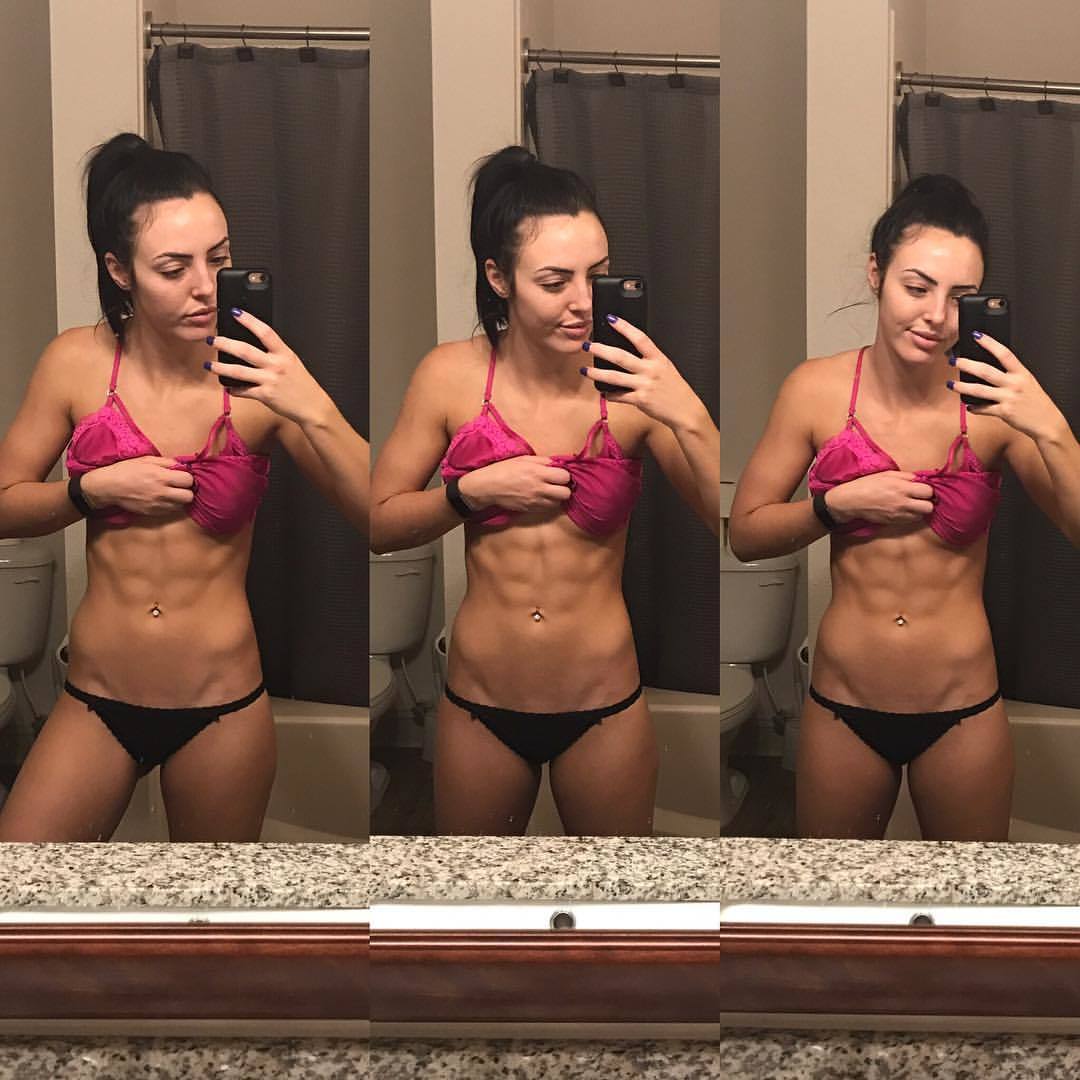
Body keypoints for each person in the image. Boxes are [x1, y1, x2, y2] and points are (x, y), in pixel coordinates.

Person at [0, 133, 368, 841]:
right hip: (96, 698)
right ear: (119, 270)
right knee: (19, 887)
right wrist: (89, 491)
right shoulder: (75, 363)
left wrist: (312, 404)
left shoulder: (261, 383)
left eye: (219, 259)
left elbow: (375, 513)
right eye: (174, 267)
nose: (204, 285)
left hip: (220, 706)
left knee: (210, 908)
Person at [371, 145, 720, 836]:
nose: (583, 302)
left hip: (604, 703)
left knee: (612, 897)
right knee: (474, 899)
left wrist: (686, 411)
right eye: (555, 281)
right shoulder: (449, 377)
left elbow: (732, 524)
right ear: (498, 277)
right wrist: (467, 493)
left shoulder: (635, 389)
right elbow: (378, 522)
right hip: (480, 703)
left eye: (597, 275)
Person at [730, 174, 1080, 841]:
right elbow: (745, 535)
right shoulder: (815, 390)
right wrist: (833, 507)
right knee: (834, 896)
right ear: (876, 274)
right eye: (917, 288)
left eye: (959, 298)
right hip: (843, 706)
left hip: (963, 708)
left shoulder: (996, 405)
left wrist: (1051, 427)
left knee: (968, 896)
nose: (936, 316)